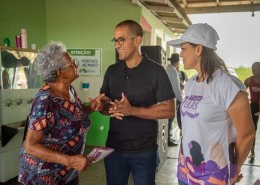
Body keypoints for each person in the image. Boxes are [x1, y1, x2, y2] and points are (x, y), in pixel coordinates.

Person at [167, 23, 255, 185]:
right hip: (185, 171)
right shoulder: (192, 83)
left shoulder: (229, 86)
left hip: (213, 175)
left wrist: (235, 169)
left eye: (184, 48)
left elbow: (247, 134)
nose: (180, 54)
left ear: (199, 49)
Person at [99, 20, 175, 185]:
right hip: (114, 150)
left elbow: (169, 110)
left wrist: (132, 110)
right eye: (115, 40)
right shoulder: (112, 71)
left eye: (122, 40)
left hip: (144, 152)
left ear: (137, 40)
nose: (117, 45)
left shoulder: (156, 72)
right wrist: (101, 107)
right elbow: (106, 107)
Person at [18, 41, 104, 185]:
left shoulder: (69, 91)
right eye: (72, 63)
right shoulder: (46, 101)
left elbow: (73, 116)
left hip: (67, 172)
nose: (76, 65)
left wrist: (91, 108)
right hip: (43, 175)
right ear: (60, 72)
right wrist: (69, 160)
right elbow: (30, 145)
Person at [244, 62, 260, 161]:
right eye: (255, 69)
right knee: (253, 129)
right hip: (254, 107)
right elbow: (241, 92)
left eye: (259, 69)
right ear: (252, 70)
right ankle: (252, 152)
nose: (257, 71)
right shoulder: (249, 81)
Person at [165, 53, 181, 146]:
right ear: (178, 62)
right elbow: (176, 87)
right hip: (173, 98)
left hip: (168, 97)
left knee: (169, 119)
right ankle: (168, 139)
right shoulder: (173, 71)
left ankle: (168, 138)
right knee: (170, 119)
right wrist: (180, 98)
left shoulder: (168, 68)